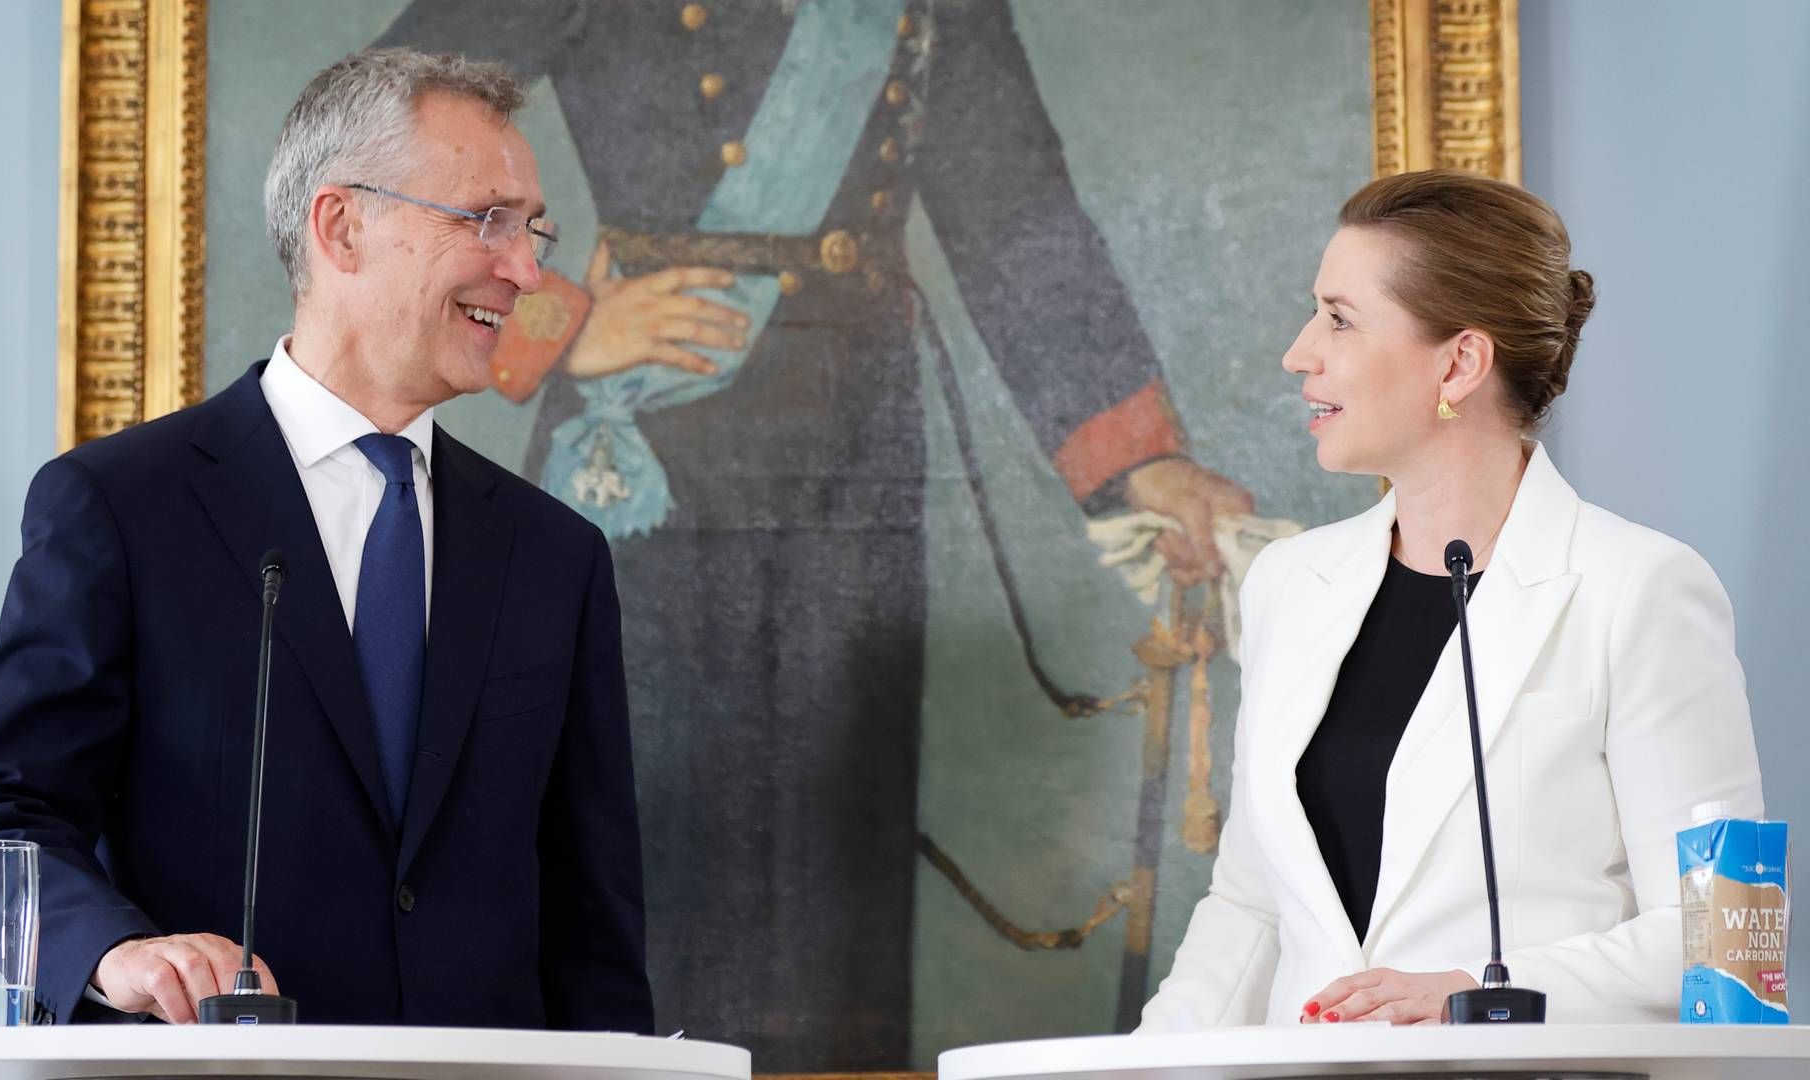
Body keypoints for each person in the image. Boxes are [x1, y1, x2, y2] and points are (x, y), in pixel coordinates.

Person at [377, 2, 1256, 1064]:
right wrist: (551, 321)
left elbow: (1017, 216)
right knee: (635, 850)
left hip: (855, 469)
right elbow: (373, 132)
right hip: (646, 471)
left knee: (833, 880)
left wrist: (1138, 462)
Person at [0, 49, 652, 1031]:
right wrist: (116, 952)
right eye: (488, 220)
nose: (528, 271)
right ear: (343, 227)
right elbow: (2, 812)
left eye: (532, 230)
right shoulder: (121, 505)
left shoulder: (557, 559)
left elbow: (593, 934)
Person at [1139, 170, 1764, 1028]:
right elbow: (1250, 910)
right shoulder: (1290, 583)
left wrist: (1479, 992)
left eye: (1339, 319)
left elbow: (1724, 940)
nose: (1298, 352)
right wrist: (1137, 1062)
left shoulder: (1640, 589)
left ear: (1461, 362)